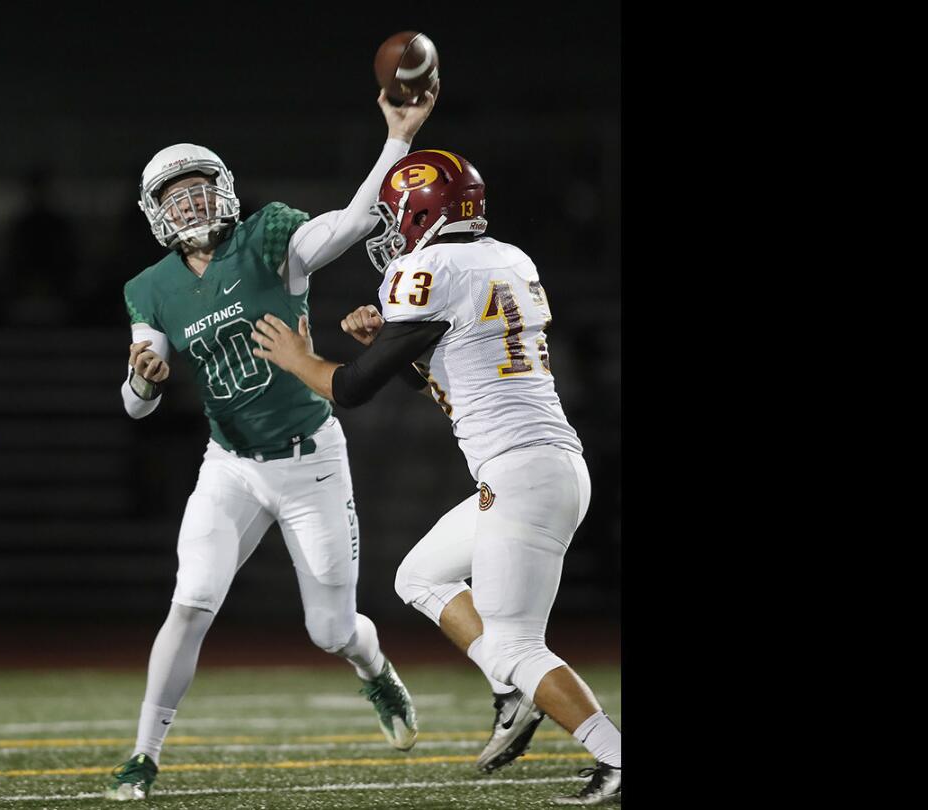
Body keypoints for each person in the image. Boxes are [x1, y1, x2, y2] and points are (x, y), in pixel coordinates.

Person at [248, 148, 622, 805]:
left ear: (424, 212)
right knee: (419, 575)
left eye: (396, 216)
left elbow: (353, 391)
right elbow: (460, 377)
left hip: (523, 473)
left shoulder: (428, 267)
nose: (392, 231)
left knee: (514, 642)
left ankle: (610, 752)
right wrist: (390, 345)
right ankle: (512, 692)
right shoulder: (511, 259)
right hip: (543, 464)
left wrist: (299, 358)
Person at [106, 85, 440, 802]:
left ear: (223, 193)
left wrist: (397, 140)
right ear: (155, 213)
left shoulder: (269, 237)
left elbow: (352, 223)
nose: (191, 205)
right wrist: (145, 380)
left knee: (329, 630)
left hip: (309, 458)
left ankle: (374, 669)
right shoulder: (151, 288)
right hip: (229, 463)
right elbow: (135, 404)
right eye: (177, 196)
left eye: (200, 190)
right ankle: (143, 754)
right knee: (191, 597)